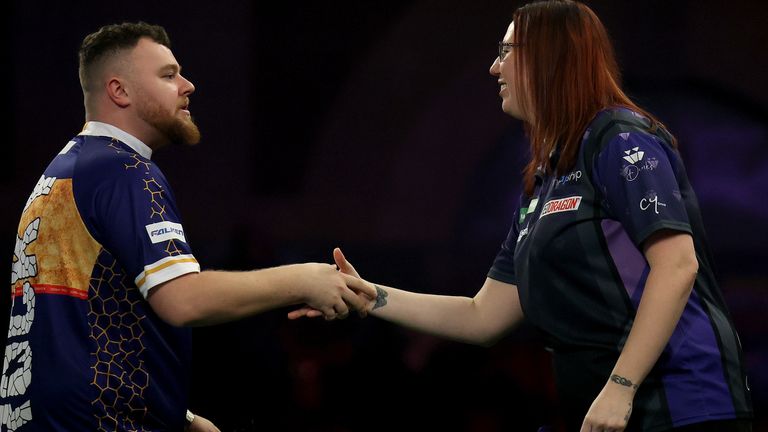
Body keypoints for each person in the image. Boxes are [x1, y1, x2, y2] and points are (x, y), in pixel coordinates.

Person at [290, 1, 753, 431]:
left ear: (550, 59)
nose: (495, 67)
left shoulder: (620, 140)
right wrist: (373, 299)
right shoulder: (545, 180)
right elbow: (483, 316)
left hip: (682, 404)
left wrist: (621, 386)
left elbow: (677, 266)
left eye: (507, 51)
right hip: (604, 410)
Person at [0, 22, 375, 431]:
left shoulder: (67, 171)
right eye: (167, 75)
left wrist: (178, 416)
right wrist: (304, 278)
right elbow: (182, 300)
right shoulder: (124, 171)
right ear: (119, 91)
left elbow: (78, 325)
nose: (188, 84)